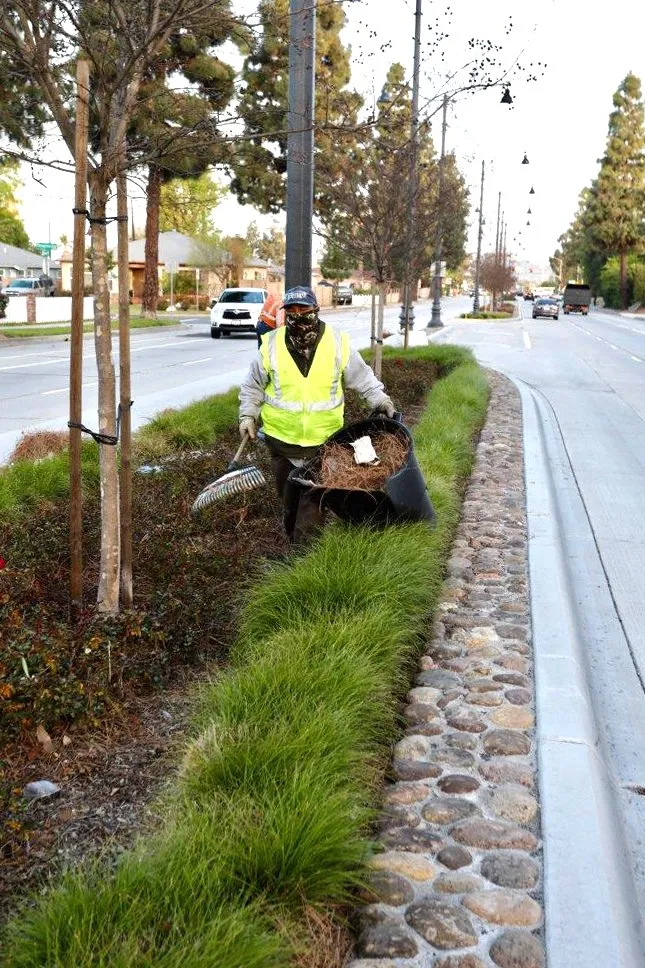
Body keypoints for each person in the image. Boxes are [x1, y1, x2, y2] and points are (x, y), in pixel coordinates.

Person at [239, 285, 396, 541]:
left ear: (316, 310)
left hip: (324, 447)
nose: (298, 315)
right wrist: (247, 415)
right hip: (282, 445)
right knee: (289, 509)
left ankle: (305, 565)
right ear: (285, 312)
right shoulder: (271, 345)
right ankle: (294, 553)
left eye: (304, 309)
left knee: (311, 516)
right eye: (291, 310)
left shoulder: (337, 343)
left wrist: (380, 399)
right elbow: (253, 385)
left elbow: (362, 377)